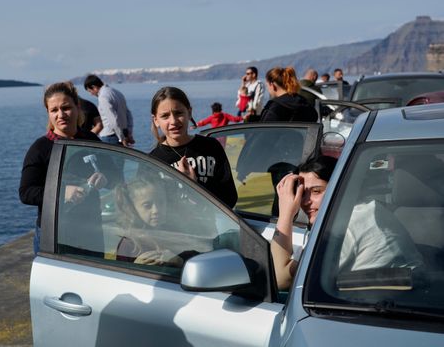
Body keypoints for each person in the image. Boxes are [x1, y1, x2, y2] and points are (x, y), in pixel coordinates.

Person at [271, 155, 423, 290]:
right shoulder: (367, 209)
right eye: (302, 193)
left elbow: (280, 279)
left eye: (316, 191)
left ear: (340, 187)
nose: (305, 202)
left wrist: (285, 212)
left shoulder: (343, 227)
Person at [19, 81, 105, 254]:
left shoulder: (92, 141)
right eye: (54, 110)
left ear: (77, 107)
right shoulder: (40, 148)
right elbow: (26, 192)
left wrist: (106, 179)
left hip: (92, 231)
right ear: (48, 113)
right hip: (55, 234)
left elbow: (114, 173)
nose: (61, 114)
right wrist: (62, 192)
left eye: (66, 108)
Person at [148, 86, 238, 208]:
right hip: (172, 227)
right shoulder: (152, 161)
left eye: (178, 113)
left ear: (189, 113)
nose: (173, 121)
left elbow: (230, 198)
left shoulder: (210, 147)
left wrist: (195, 186)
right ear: (156, 120)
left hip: (209, 225)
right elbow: (148, 205)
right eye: (165, 116)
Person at [115, 178, 183, 266]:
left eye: (161, 202)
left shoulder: (176, 234)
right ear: (133, 209)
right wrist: (136, 266)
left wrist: (177, 261)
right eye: (147, 205)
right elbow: (120, 276)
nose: (156, 210)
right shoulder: (129, 243)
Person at [84, 74, 134, 146]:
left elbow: (113, 120)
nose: (91, 94)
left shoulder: (103, 97)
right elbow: (128, 114)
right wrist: (129, 133)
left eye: (90, 91)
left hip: (110, 137)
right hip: (123, 133)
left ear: (94, 87)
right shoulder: (117, 92)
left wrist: (122, 138)